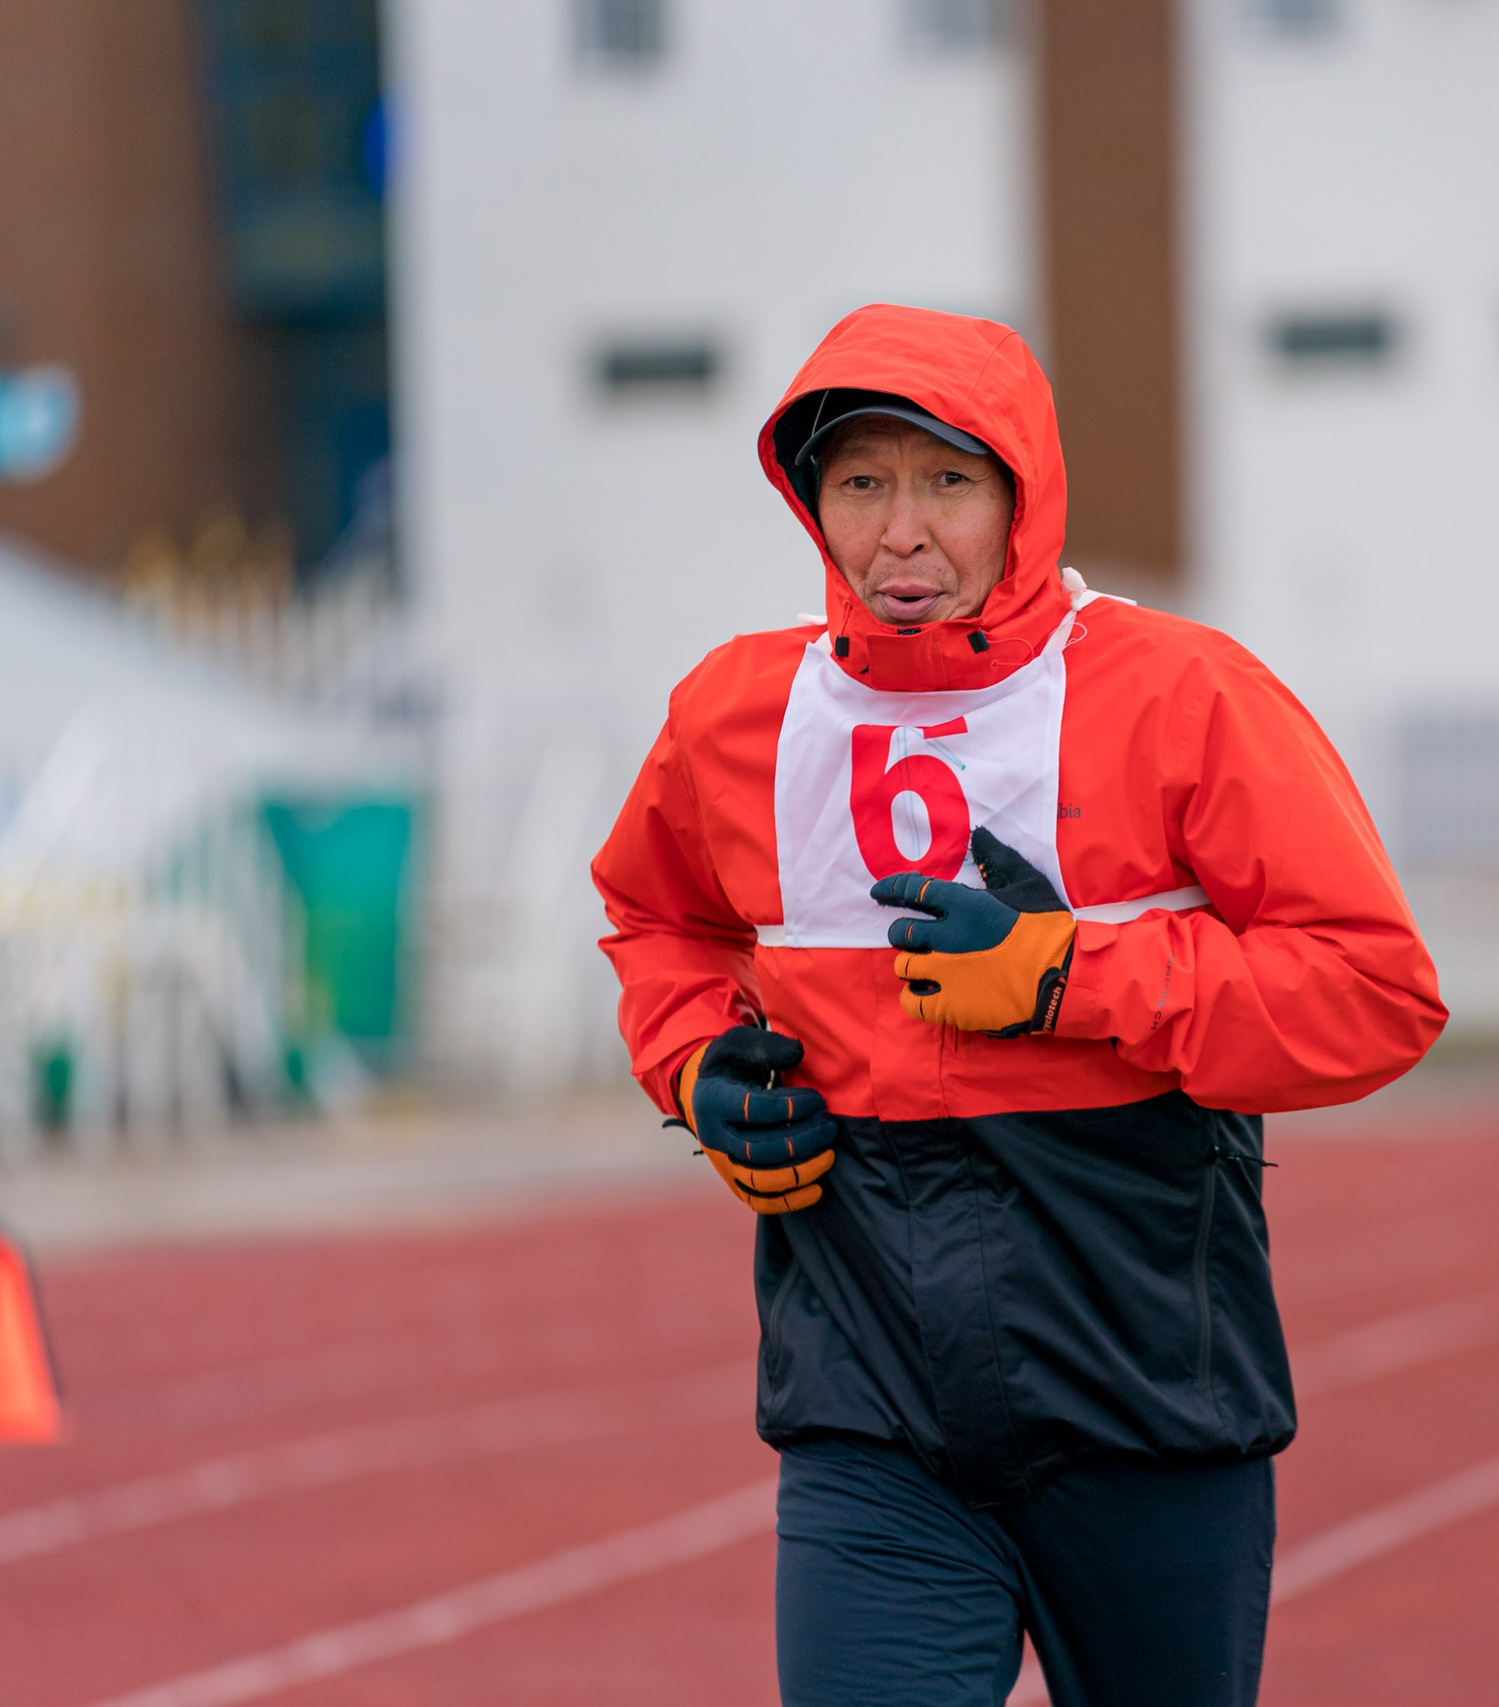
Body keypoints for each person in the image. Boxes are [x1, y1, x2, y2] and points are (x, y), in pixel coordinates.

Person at [592, 303, 1445, 1707]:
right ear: (811, 502)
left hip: (1146, 1391)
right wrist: (695, 1069)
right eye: (860, 482)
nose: (901, 531)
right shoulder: (734, 712)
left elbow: (1376, 991)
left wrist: (1068, 977)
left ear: (1023, 494)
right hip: (868, 1400)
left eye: (947, 480)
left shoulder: (1182, 691)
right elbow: (657, 919)